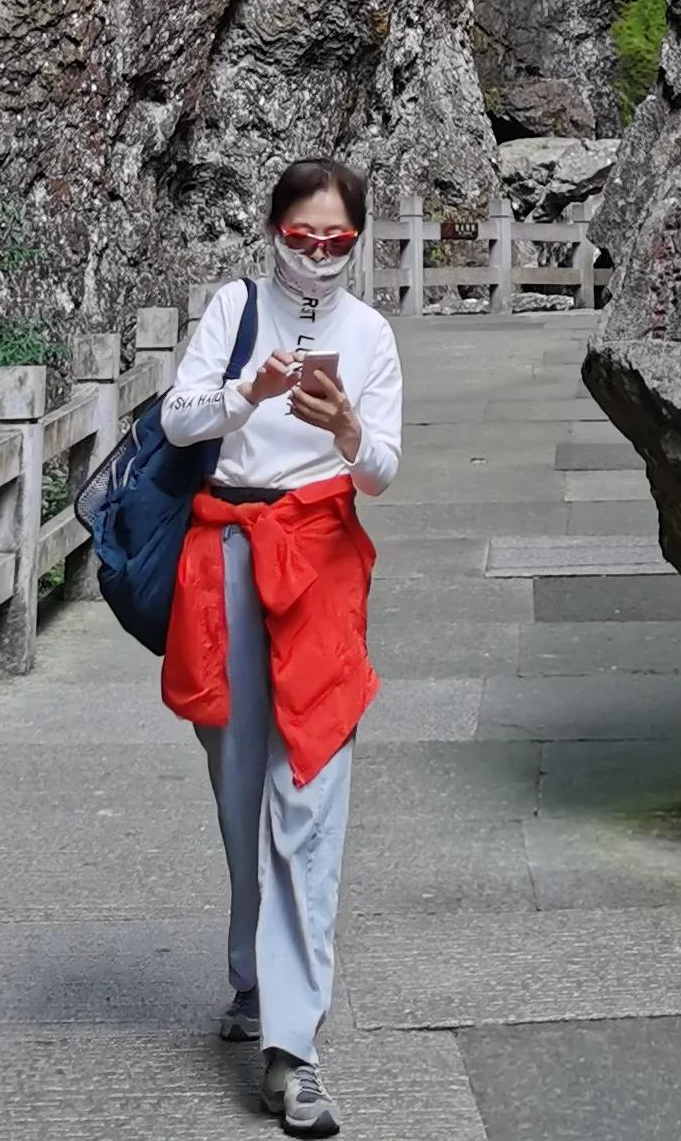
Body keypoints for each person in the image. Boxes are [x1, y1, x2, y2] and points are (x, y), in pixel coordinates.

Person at [159, 158, 402, 1138]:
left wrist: (348, 429)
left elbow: (385, 468)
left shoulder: (370, 334)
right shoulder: (232, 309)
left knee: (308, 798)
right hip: (226, 554)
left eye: (336, 240)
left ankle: (292, 1050)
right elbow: (178, 422)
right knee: (240, 785)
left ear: (357, 240)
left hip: (321, 566)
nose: (316, 256)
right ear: (271, 230)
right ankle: (254, 978)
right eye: (301, 237)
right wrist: (240, 397)